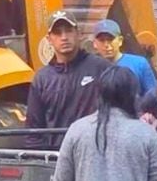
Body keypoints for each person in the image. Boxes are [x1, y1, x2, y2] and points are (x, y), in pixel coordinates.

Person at [26, 11, 111, 149]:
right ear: (49, 39)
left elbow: (123, 110)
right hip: (57, 160)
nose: (64, 37)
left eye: (69, 31)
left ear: (79, 34)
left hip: (95, 156)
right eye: (58, 33)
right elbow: (33, 131)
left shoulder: (101, 68)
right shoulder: (42, 79)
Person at [90, 19, 157, 96]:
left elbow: (153, 96)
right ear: (95, 43)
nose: (106, 45)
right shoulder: (89, 67)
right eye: (102, 40)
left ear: (120, 40)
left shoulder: (139, 64)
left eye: (110, 39)